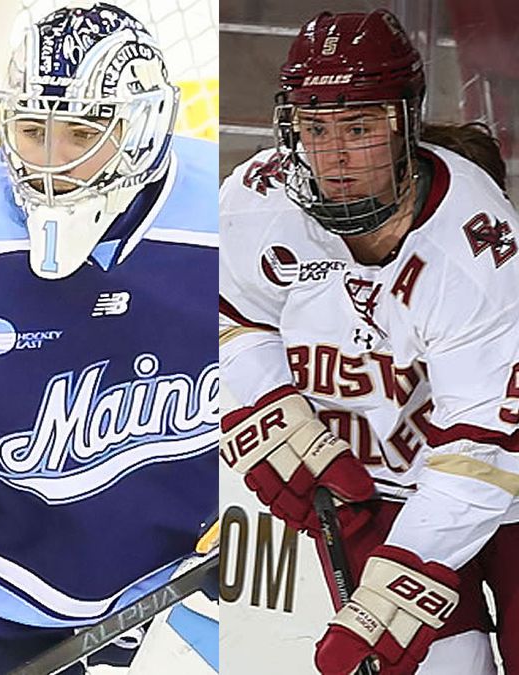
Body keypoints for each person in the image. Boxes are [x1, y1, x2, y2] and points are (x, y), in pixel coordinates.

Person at [0, 4, 219, 673]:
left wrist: (258, 516)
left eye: (81, 132)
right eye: (32, 130)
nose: (50, 163)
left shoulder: (238, 216)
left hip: (176, 594)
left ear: (142, 129)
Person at [220, 9, 519, 674]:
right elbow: (227, 317)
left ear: (406, 123)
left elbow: (482, 450)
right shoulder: (256, 203)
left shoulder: (475, 249)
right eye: (315, 128)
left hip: (502, 482)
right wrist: (271, 409)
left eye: (359, 126)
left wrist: (390, 594)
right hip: (376, 489)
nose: (336, 156)